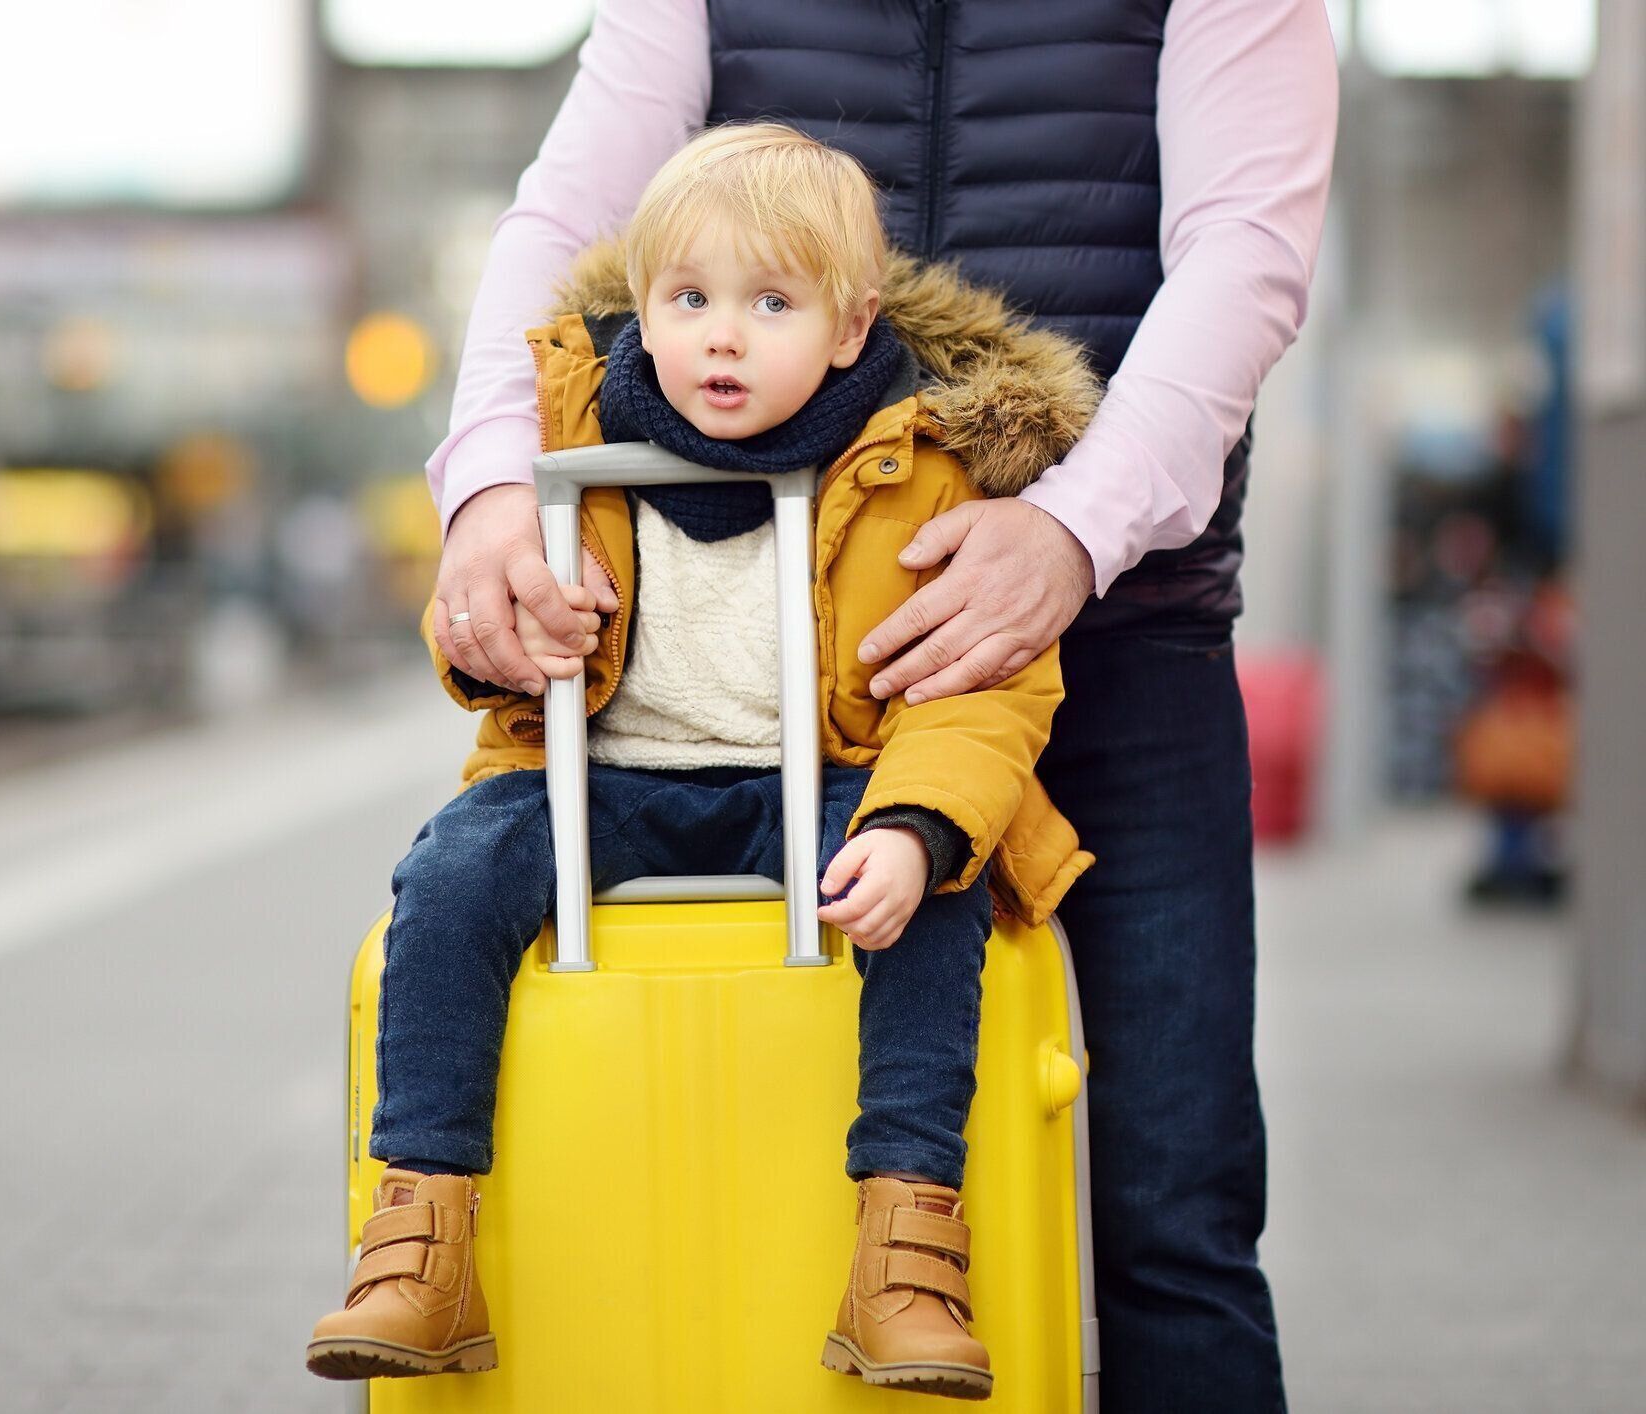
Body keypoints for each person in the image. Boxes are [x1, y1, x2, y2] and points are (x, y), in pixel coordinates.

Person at [424, 5, 1336, 1409]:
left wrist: (1070, 531)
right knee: (780, 1175)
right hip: (797, 660)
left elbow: (1246, 256)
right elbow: (565, 218)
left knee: (1174, 1204)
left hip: (1122, 631)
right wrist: (492, 484)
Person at [307, 123, 1100, 1398]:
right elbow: (470, 614)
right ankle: (420, 1229)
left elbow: (985, 689)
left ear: (848, 329)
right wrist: (521, 640)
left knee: (933, 901)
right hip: (609, 781)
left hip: (827, 775)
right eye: (687, 300)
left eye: (768, 304)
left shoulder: (923, 465)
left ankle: (903, 1246)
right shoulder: (568, 431)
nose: (719, 337)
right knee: (451, 871)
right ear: (643, 306)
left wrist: (914, 825)